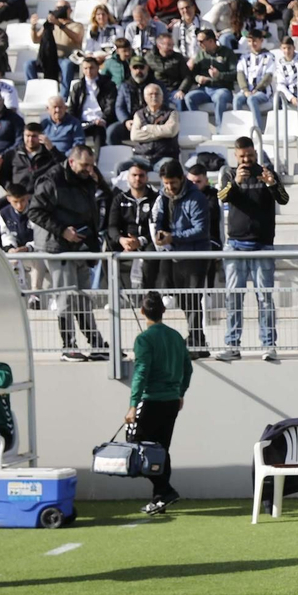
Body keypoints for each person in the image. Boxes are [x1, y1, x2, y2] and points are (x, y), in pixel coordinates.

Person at [29, 145, 110, 361]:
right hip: (58, 248)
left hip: (80, 247)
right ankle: (68, 346)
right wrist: (63, 231)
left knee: (84, 298)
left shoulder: (88, 179)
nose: (88, 169)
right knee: (65, 298)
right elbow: (34, 211)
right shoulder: (52, 180)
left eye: (91, 165)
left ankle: (96, 343)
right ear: (72, 162)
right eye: (84, 165)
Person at [215, 136, 285, 360]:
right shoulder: (228, 173)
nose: (246, 160)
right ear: (236, 156)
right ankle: (233, 345)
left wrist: (271, 183)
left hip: (262, 245)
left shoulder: (266, 172)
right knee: (234, 297)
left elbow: (283, 199)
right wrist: (235, 181)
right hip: (235, 245)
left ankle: (269, 345)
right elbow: (222, 197)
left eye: (250, 156)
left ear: (256, 153)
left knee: (264, 297)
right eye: (242, 156)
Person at [124, 291, 192, 514]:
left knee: (140, 448)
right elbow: (187, 368)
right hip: (172, 400)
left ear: (142, 312)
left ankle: (164, 490)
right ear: (163, 311)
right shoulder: (176, 337)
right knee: (161, 448)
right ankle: (161, 496)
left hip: (151, 400)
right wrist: (181, 392)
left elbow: (141, 372)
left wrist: (133, 404)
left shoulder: (144, 339)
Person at [150, 160, 212, 350]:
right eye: (166, 183)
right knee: (184, 299)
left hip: (196, 256)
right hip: (176, 255)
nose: (169, 187)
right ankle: (197, 337)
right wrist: (160, 232)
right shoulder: (163, 196)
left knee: (192, 298)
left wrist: (173, 237)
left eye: (173, 183)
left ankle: (196, 340)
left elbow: (201, 230)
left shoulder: (197, 198)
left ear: (182, 179)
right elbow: (158, 218)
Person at [182, 29, 237, 127]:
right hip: (204, 89)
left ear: (211, 41)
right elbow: (193, 74)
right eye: (198, 41)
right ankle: (199, 127)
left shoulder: (227, 53)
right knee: (189, 98)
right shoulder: (201, 54)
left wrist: (219, 75)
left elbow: (235, 74)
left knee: (219, 97)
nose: (199, 44)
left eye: (201, 41)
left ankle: (220, 129)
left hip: (222, 88)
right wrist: (198, 78)